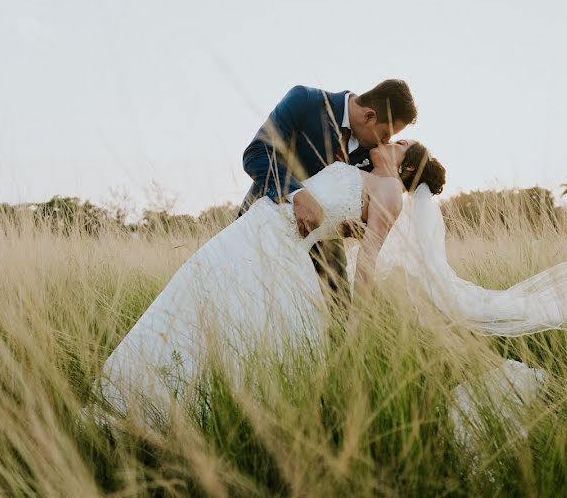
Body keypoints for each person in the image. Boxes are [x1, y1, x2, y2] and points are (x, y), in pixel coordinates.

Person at [100, 140, 445, 417]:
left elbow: (368, 259)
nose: (392, 141)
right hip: (259, 224)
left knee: (240, 320)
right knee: (198, 292)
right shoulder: (365, 173)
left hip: (282, 250)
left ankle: (193, 406)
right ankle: (139, 389)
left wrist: (360, 318)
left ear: (408, 166)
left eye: (401, 144)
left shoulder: (389, 193)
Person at [239, 80, 418, 317]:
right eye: (385, 134)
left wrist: (353, 225)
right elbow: (256, 154)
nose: (384, 143)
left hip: (325, 245)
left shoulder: (371, 154)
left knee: (337, 313)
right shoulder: (305, 101)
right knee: (246, 302)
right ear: (369, 116)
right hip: (265, 223)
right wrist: (298, 195)